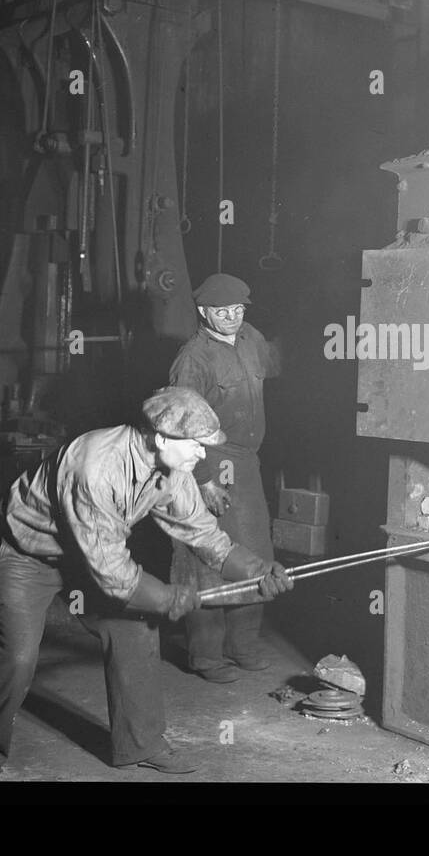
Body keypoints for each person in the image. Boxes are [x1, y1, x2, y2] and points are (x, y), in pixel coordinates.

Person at [0, 386, 292, 775]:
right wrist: (168, 597)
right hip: (23, 556)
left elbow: (203, 533)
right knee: (18, 658)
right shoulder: (96, 467)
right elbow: (115, 575)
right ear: (160, 438)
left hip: (81, 558)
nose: (203, 454)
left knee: (135, 630)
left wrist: (256, 571)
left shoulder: (174, 468)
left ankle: (141, 744)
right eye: (196, 445)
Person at [169, 273, 282, 683]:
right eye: (222, 311)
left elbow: (278, 364)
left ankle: (243, 646)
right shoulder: (192, 359)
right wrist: (203, 480)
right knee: (207, 560)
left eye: (237, 309)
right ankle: (206, 657)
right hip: (209, 461)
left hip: (247, 463)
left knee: (254, 553)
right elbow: (180, 423)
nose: (232, 317)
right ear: (203, 312)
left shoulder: (251, 338)